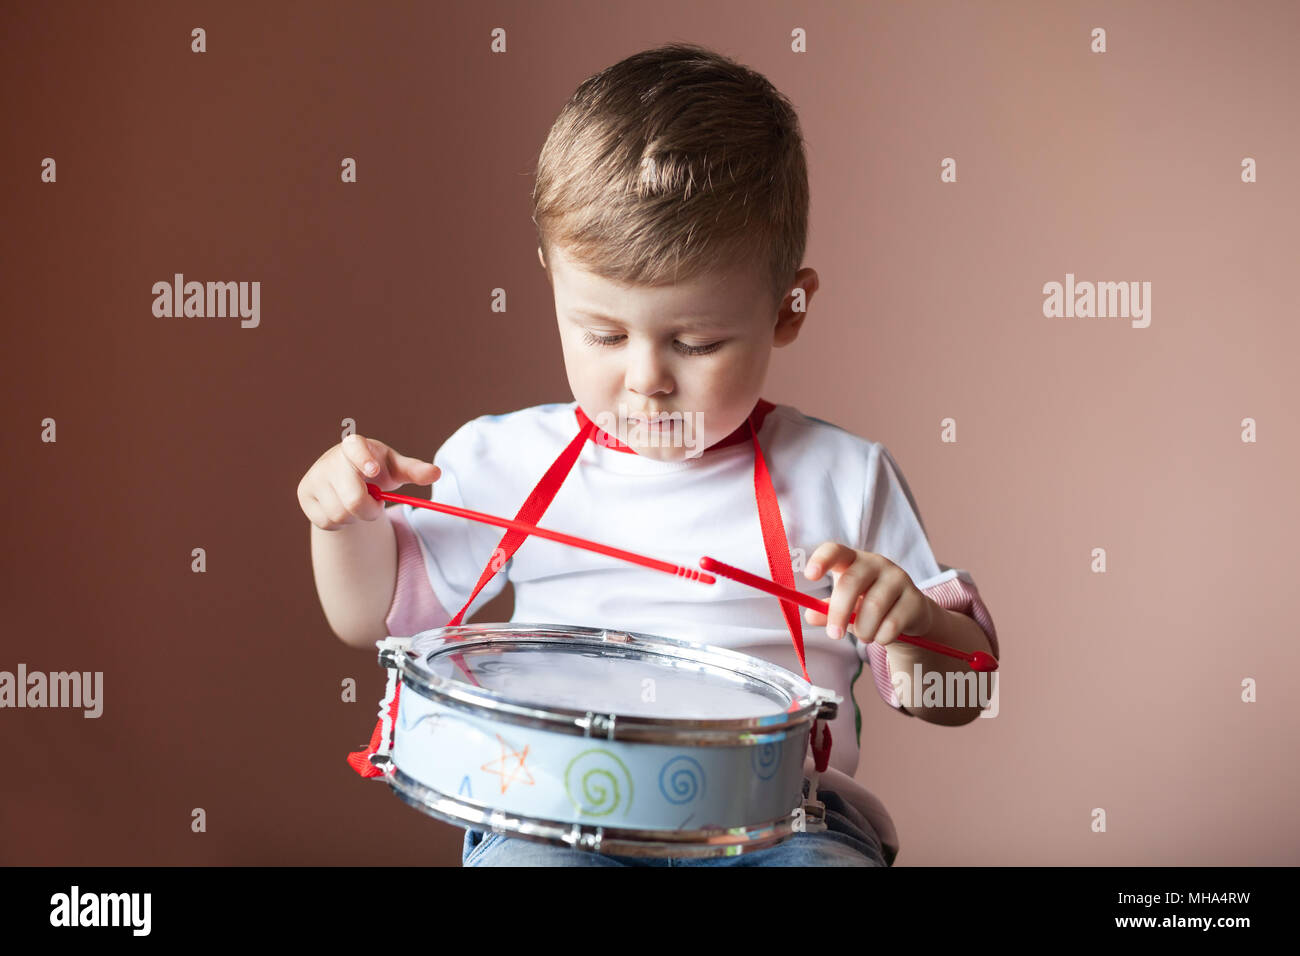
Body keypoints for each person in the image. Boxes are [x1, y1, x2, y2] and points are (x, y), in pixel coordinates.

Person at [297, 42, 999, 867]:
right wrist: (342, 519)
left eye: (695, 342)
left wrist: (914, 626)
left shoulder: (844, 477)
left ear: (787, 310)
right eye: (601, 333)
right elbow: (367, 619)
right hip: (553, 812)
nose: (645, 381)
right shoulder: (506, 463)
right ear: (550, 282)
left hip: (784, 824)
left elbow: (962, 694)